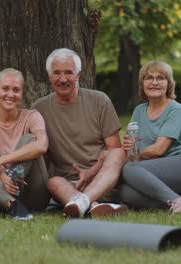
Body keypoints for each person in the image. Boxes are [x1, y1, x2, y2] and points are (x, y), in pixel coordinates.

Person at [32, 48, 128, 218]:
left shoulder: (99, 100)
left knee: (119, 153)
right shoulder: (39, 108)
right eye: (57, 73)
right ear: (49, 76)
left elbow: (114, 148)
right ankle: (93, 205)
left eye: (69, 72)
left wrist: (92, 171)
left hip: (102, 180)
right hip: (68, 186)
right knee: (53, 182)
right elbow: (41, 156)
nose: (62, 79)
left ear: (78, 75)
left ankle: (85, 202)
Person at [118, 61, 181, 213]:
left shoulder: (175, 109)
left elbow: (159, 149)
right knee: (125, 192)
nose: (154, 82)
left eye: (161, 78)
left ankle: (178, 201)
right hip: (159, 172)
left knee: (129, 169)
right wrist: (126, 149)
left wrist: (132, 156)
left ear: (168, 84)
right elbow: (132, 147)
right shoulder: (139, 111)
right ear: (142, 83)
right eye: (149, 78)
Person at [0, 68, 49, 220]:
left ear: (21, 94)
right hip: (0, 187)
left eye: (16, 90)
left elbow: (42, 145)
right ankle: (13, 204)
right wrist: (1, 175)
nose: (10, 94)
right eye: (5, 88)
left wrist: (1, 163)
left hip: (32, 193)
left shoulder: (32, 116)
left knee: (29, 139)